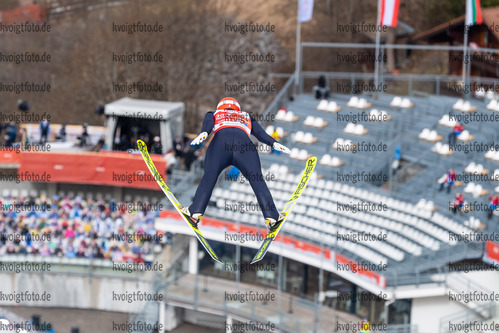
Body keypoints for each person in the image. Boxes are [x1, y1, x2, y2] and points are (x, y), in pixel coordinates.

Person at [181, 97, 291, 230]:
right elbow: (260, 134)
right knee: (258, 181)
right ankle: (272, 217)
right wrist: (274, 143)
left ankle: (195, 213)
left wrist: (203, 133)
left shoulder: (214, 113)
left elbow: (208, 125)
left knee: (209, 177)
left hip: (220, 145)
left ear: (220, 107)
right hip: (244, 148)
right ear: (237, 108)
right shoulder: (246, 116)